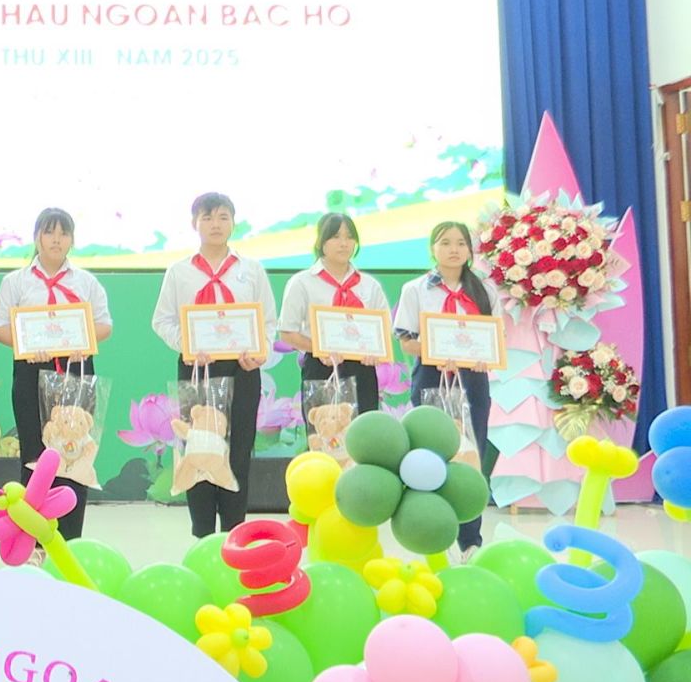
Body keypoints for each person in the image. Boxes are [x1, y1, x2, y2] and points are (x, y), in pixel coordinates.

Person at [152, 192, 277, 537]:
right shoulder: (179, 272)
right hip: (197, 370)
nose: (215, 224)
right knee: (199, 449)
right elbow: (162, 320)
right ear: (195, 223)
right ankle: (202, 533)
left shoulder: (251, 270)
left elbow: (268, 321)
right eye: (207, 218)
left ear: (233, 223)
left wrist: (260, 351)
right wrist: (187, 346)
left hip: (243, 370)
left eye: (223, 217)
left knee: (238, 451)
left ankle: (235, 532)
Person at [0, 208, 111, 540]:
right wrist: (27, 344)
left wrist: (83, 340)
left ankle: (70, 539)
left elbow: (104, 325)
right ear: (36, 237)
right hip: (31, 370)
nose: (56, 240)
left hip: (76, 368)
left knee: (74, 452)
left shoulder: (85, 281)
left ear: (71, 240)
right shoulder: (16, 281)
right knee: (35, 454)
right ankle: (33, 539)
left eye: (63, 233)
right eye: (49, 232)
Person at [395, 220, 498, 557]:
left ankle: (471, 540)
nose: (454, 249)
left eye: (460, 243)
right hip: (430, 375)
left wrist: (482, 357)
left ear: (470, 249)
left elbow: (494, 339)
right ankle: (433, 536)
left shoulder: (485, 290)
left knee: (470, 454)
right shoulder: (415, 289)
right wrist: (435, 351)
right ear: (432, 249)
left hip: (473, 379)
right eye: (445, 242)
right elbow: (407, 342)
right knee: (431, 452)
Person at [279, 213, 391, 414]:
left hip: (362, 369)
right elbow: (287, 332)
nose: (344, 243)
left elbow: (383, 330)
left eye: (349, 237)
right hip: (320, 366)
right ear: (321, 242)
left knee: (363, 430)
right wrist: (320, 349)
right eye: (336, 236)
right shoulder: (302, 282)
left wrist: (375, 352)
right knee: (323, 428)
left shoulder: (369, 285)